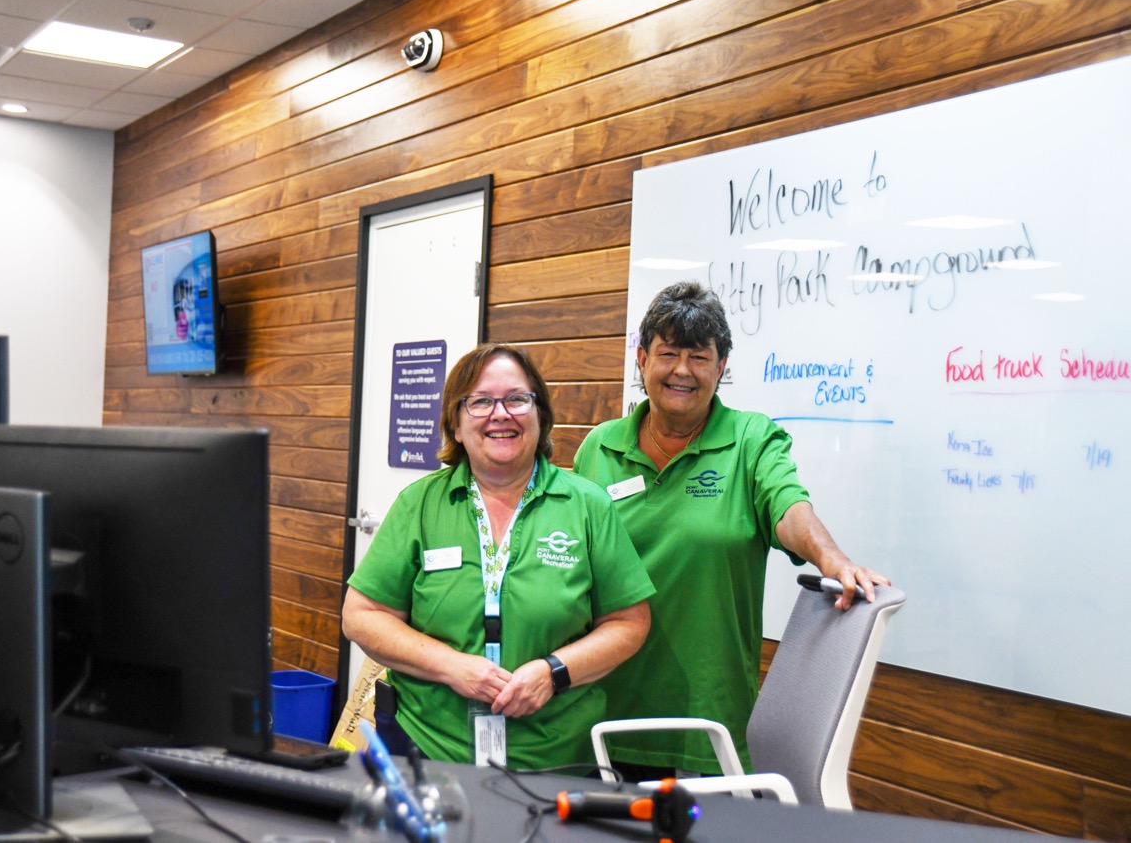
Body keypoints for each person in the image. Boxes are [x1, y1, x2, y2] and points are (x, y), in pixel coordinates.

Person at [571, 280, 891, 777]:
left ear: (721, 367)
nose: (682, 370)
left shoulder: (751, 439)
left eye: (699, 356)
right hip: (600, 712)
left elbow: (788, 506)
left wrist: (833, 559)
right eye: (668, 352)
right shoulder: (599, 447)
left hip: (706, 724)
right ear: (641, 358)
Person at [342, 343, 654, 770]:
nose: (500, 414)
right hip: (427, 747)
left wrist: (553, 672)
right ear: (454, 422)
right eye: (481, 402)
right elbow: (361, 615)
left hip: (556, 756)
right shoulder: (419, 505)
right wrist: (451, 667)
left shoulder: (587, 506)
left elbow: (629, 622)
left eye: (516, 399)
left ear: (540, 414)